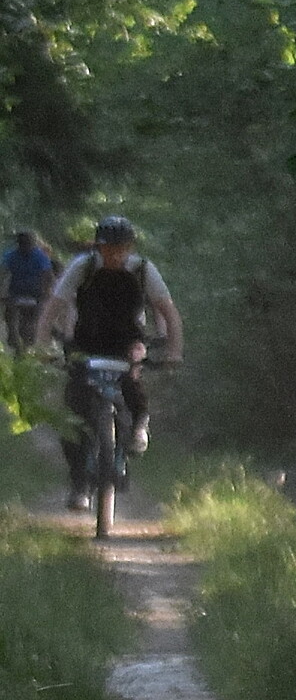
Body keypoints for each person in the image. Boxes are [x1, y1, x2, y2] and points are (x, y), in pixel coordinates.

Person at [39, 216, 184, 507]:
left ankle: (139, 425)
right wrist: (42, 346)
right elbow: (53, 307)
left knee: (132, 384)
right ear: (98, 247)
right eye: (108, 249)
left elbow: (169, 313)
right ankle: (79, 485)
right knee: (74, 408)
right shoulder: (83, 267)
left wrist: (174, 351)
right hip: (86, 343)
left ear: (130, 248)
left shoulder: (143, 270)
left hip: (127, 343)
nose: (114, 255)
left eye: (120, 249)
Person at [2, 229, 53, 354]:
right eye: (22, 243)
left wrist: (46, 293)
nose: (25, 246)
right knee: (10, 316)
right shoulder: (11, 255)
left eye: (28, 243)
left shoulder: (40, 256)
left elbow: (47, 275)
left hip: (36, 294)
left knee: (32, 321)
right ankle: (14, 339)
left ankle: (28, 345)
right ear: (18, 244)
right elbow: (2, 272)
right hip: (16, 293)